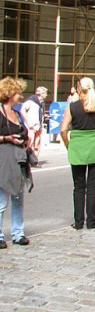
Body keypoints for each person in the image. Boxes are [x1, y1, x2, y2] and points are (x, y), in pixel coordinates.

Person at [60, 77, 95, 229]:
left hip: (78, 148)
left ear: (79, 89)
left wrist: (68, 145)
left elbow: (63, 129)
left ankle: (78, 222)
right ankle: (91, 222)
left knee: (78, 187)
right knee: (93, 186)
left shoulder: (72, 107)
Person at [0, 77, 30, 248]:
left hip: (18, 160)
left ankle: (18, 233)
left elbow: (24, 132)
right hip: (4, 160)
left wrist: (25, 141)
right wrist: (7, 138)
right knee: (2, 201)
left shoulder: (17, 113)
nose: (21, 96)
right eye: (19, 92)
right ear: (10, 93)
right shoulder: (0, 112)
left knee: (18, 198)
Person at [21, 86, 48, 159]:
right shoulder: (30, 101)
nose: (46, 95)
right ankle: (26, 159)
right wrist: (28, 122)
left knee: (37, 145)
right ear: (41, 93)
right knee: (30, 143)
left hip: (39, 126)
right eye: (45, 93)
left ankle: (35, 160)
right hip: (31, 126)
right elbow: (22, 110)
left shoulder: (42, 102)